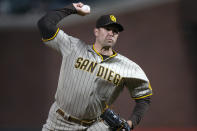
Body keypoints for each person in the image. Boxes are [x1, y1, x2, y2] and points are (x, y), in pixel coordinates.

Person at [37, 2, 153, 131]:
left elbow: (144, 98)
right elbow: (44, 24)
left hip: (94, 126)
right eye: (107, 29)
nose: (111, 33)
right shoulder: (73, 47)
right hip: (58, 121)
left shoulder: (128, 67)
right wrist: (72, 9)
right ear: (96, 31)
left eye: (115, 31)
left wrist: (131, 123)